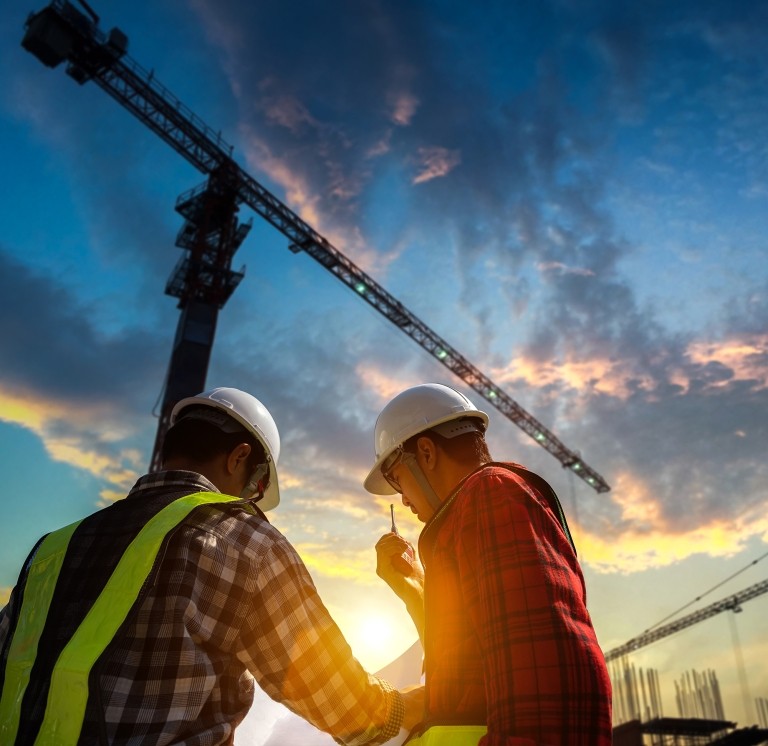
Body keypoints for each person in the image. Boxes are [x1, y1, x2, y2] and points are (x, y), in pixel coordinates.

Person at [0, 387, 423, 745]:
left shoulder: (53, 548)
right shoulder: (242, 540)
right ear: (239, 458)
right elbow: (340, 700)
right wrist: (409, 704)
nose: (253, 499)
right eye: (258, 486)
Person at [366, 383, 612, 746]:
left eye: (397, 478)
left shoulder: (490, 496)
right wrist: (417, 591)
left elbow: (545, 682)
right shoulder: (474, 510)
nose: (402, 499)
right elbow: (466, 678)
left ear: (427, 452)